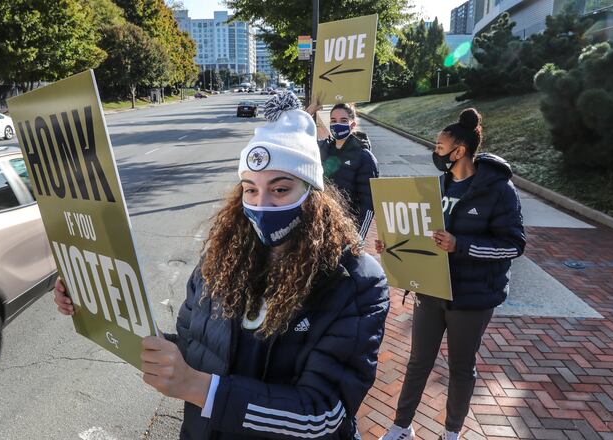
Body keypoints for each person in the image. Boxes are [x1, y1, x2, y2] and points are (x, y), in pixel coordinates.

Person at [54, 92, 390, 440]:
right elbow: (194, 350)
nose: (262, 204)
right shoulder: (220, 261)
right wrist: (96, 303)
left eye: (280, 189)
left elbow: (323, 414)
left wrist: (202, 389)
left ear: (312, 194)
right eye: (250, 190)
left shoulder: (355, 283)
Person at [375, 109, 525, 440]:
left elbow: (513, 246)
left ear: (459, 152)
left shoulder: (499, 191)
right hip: (431, 290)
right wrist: (393, 243)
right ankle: (402, 425)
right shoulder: (435, 186)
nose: (435, 152)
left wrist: (462, 245)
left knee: (460, 368)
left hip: (472, 297)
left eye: (440, 147)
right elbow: (415, 230)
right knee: (418, 362)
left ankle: (452, 431)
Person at [307, 102, 379, 239]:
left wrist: (357, 237)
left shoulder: (364, 158)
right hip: (319, 227)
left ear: (353, 124)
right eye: (333, 121)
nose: (337, 124)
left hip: (345, 231)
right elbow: (296, 139)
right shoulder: (322, 149)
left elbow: (369, 204)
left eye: (343, 120)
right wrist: (309, 112)